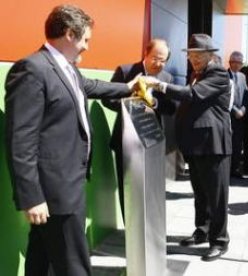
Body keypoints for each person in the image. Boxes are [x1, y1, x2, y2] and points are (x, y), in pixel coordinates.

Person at [4, 4, 139, 276]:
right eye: (85, 39)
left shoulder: (66, 68)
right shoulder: (32, 69)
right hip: (54, 190)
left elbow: (91, 86)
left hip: (70, 182)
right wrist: (31, 197)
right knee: (74, 263)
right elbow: (20, 140)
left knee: (42, 256)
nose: (87, 47)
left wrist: (129, 87)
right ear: (69, 34)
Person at [143, 33, 231, 261]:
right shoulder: (197, 74)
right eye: (191, 55)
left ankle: (219, 241)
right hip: (196, 144)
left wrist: (160, 85)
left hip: (213, 145)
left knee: (216, 196)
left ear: (210, 55)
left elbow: (192, 95)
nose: (193, 59)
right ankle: (202, 231)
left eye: (198, 55)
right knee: (201, 194)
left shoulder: (218, 73)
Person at [101, 39, 176, 218]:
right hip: (125, 140)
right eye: (155, 58)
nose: (159, 64)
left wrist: (155, 103)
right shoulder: (126, 71)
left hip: (151, 141)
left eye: (163, 60)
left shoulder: (166, 78)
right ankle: (130, 228)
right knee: (127, 186)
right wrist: (134, 105)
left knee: (150, 185)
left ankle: (148, 222)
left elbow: (171, 107)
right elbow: (108, 99)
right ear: (146, 54)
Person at [227, 51, 248, 177]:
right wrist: (235, 110)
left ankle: (235, 169)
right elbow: (224, 97)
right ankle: (227, 170)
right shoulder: (223, 75)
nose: (237, 65)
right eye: (234, 62)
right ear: (230, 62)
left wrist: (243, 110)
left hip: (241, 117)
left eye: (239, 62)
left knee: (237, 144)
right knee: (228, 144)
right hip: (228, 116)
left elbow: (246, 95)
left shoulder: (242, 76)